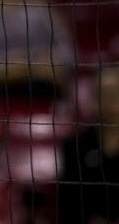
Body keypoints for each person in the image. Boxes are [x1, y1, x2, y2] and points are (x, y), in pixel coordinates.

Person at [57, 64, 119, 224]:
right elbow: (69, 203)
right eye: (101, 94)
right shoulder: (75, 147)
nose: (108, 101)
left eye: (114, 94)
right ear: (93, 100)